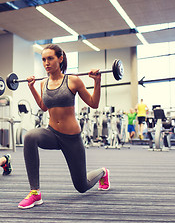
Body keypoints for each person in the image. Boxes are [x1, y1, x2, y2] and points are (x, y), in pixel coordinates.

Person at [18, 44, 110, 209]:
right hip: (52, 133)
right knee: (30, 136)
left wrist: (97, 82)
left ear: (60, 59)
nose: (46, 63)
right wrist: (32, 88)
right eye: (44, 59)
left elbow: (94, 104)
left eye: (50, 58)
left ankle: (103, 172)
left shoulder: (73, 80)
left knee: (82, 186)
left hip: (71, 138)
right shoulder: (43, 83)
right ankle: (35, 192)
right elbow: (44, 106)